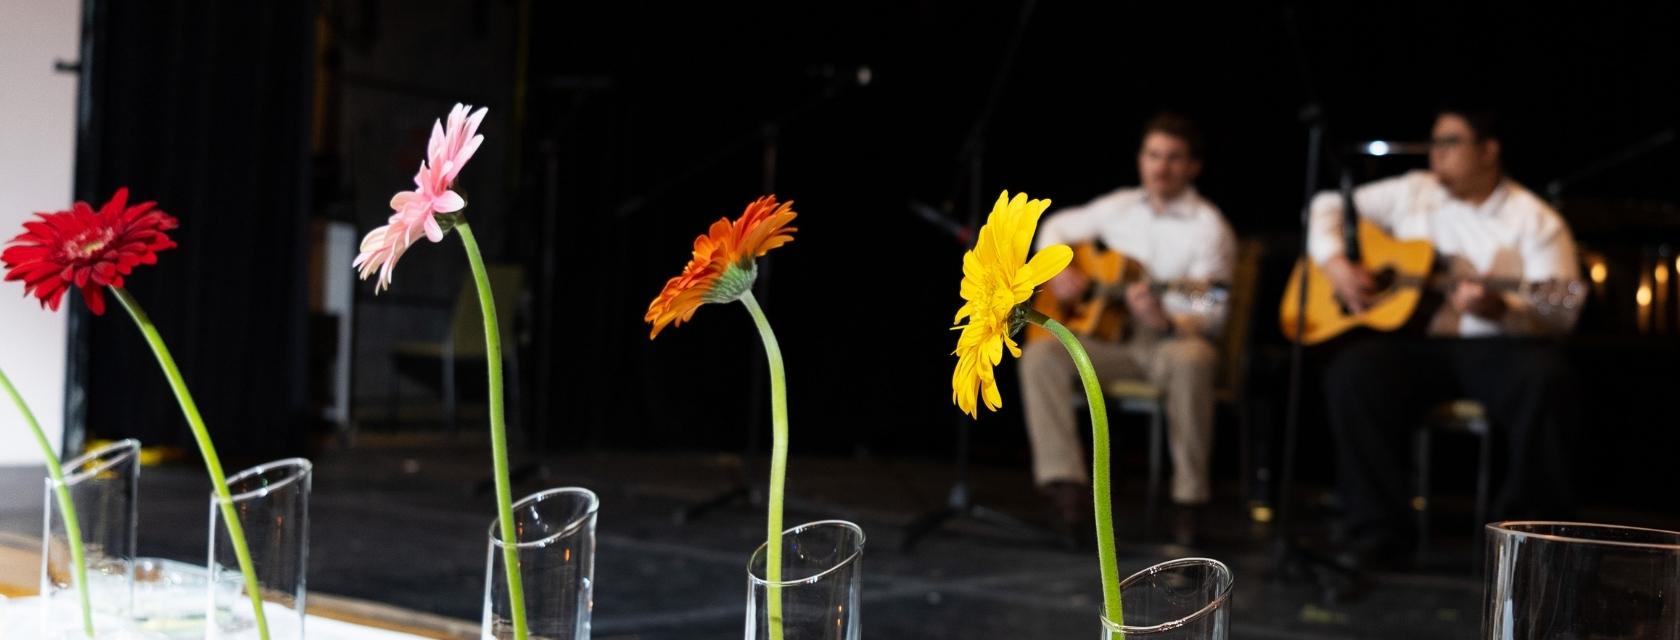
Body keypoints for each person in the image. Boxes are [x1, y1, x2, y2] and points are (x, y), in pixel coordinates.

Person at [1307, 106, 1584, 570]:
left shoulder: (1535, 220)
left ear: (1488, 150)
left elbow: (1563, 313)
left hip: (1496, 345)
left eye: (1450, 143)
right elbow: (1325, 205)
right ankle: (1378, 529)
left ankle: (1526, 541)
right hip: (1419, 345)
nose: (1436, 154)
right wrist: (1336, 264)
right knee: (1354, 372)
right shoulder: (1414, 192)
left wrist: (1503, 307)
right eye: (1433, 143)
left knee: (1547, 380)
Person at [1021, 112, 1236, 544]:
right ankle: (1066, 492)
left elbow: (1212, 305)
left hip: (1167, 342)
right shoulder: (1118, 206)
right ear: (1141, 159)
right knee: (1042, 353)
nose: (1161, 167)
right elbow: (1055, 226)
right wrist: (1059, 268)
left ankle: (1188, 506)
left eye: (1174, 158)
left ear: (1193, 167)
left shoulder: (1209, 227)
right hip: (1110, 341)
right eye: (1153, 155)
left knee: (1193, 359)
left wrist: (1167, 319)